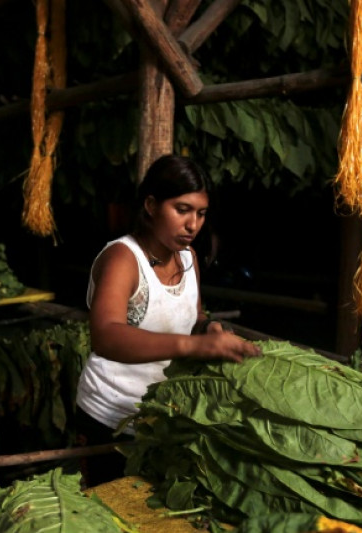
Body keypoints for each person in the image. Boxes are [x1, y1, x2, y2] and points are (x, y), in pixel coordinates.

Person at [74, 154, 262, 487]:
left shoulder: (188, 258)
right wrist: (194, 345)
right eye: (182, 210)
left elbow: (195, 316)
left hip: (162, 415)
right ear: (150, 205)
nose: (193, 225)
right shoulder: (123, 258)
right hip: (110, 416)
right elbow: (105, 335)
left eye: (201, 213)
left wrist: (208, 329)